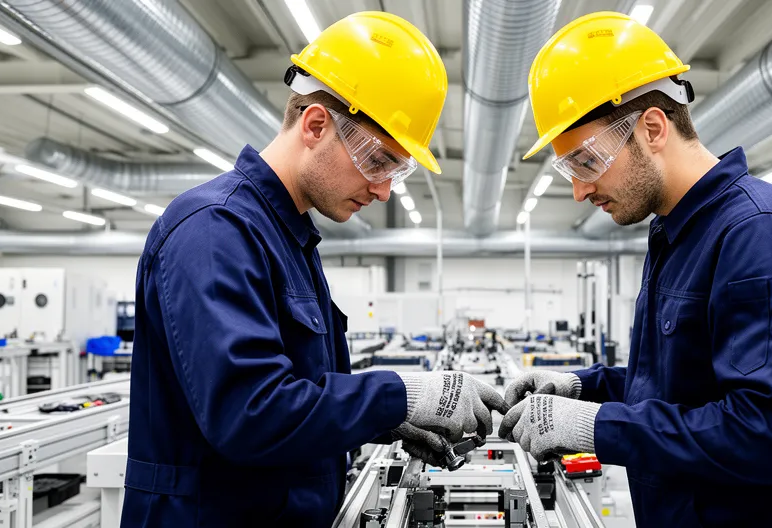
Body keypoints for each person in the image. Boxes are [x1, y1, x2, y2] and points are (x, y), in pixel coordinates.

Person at [121, 12, 507, 527]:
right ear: (317, 124)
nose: (384, 189)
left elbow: (303, 396)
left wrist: (384, 422)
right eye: (378, 161)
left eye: (397, 170)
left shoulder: (288, 237)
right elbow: (250, 411)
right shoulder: (215, 231)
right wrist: (397, 398)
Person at [499, 11, 772, 527]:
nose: (578, 190)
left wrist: (595, 426)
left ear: (652, 127)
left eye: (585, 161)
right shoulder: (676, 235)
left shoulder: (762, 236)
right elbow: (677, 388)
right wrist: (582, 387)